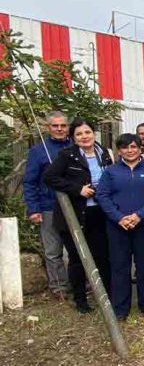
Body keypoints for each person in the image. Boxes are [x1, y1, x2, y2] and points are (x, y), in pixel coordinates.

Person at [42, 118, 112, 313]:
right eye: (79, 134)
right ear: (73, 138)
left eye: (87, 132)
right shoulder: (67, 155)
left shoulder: (104, 153)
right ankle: (81, 301)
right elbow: (49, 177)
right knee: (77, 258)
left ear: (94, 133)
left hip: (99, 213)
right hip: (74, 215)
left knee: (103, 256)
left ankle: (107, 298)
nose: (84, 137)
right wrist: (77, 189)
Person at [96, 133, 144, 320]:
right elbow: (102, 196)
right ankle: (120, 310)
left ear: (140, 149)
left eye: (133, 146)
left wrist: (139, 215)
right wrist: (119, 218)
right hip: (118, 227)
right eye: (125, 147)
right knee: (119, 267)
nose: (130, 150)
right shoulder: (111, 172)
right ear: (120, 150)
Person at [23, 110, 71, 300]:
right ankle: (59, 286)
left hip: (76, 205)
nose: (59, 129)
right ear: (47, 127)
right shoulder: (38, 150)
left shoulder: (76, 145)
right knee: (53, 250)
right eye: (55, 126)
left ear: (68, 127)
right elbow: (30, 181)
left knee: (79, 247)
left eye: (63, 125)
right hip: (49, 205)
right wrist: (33, 208)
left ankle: (81, 282)